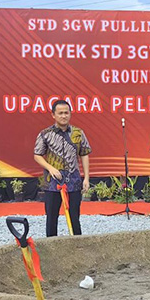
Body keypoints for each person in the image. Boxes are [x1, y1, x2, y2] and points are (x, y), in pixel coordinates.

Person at [33, 100, 91, 237]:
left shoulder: (78, 133)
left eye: (66, 113)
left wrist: (86, 178)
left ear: (70, 114)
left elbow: (85, 155)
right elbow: (37, 155)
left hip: (74, 182)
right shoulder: (45, 134)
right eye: (60, 113)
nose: (64, 116)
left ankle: (77, 246)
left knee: (74, 217)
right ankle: (52, 247)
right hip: (52, 182)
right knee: (51, 218)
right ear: (53, 115)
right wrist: (50, 168)